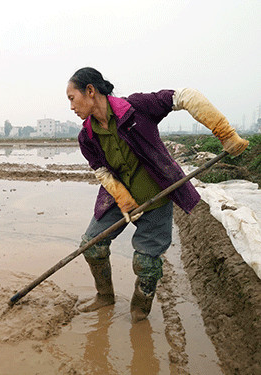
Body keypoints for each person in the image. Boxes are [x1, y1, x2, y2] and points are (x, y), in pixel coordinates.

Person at [66, 67, 248, 322]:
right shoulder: (87, 136)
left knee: (146, 263)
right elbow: (101, 170)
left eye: (72, 98)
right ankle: (105, 296)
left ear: (90, 91)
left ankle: (139, 314)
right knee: (91, 245)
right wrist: (123, 198)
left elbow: (184, 96)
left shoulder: (137, 108)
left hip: (157, 194)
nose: (71, 106)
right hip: (119, 197)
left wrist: (224, 133)